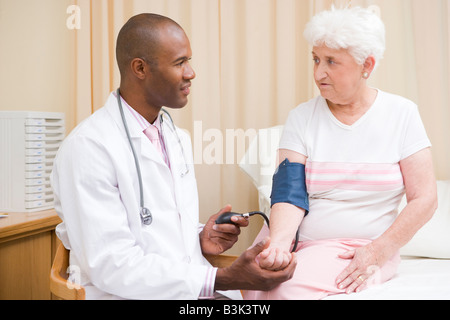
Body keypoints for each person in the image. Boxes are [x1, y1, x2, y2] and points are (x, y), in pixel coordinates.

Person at [51, 13, 295, 300]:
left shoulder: (175, 136)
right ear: (140, 68)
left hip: (185, 292)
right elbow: (111, 264)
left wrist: (203, 236)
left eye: (188, 61)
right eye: (180, 63)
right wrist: (223, 277)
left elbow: (156, 224)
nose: (191, 73)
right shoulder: (88, 148)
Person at [244, 6, 437, 300]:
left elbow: (425, 199)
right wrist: (279, 244)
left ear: (366, 65)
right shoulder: (302, 117)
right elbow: (288, 192)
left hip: (360, 248)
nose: (318, 72)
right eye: (316, 59)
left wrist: (378, 252)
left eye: (332, 62)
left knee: (283, 292)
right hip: (293, 236)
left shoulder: (402, 114)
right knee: (249, 280)